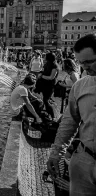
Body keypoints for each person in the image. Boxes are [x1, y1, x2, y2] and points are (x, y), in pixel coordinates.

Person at [47, 33, 96, 195]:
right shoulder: (81, 86)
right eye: (81, 63)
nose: (85, 67)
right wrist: (56, 153)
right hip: (85, 161)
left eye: (89, 62)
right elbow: (69, 123)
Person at [37, 52, 58, 119]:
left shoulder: (54, 66)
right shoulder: (46, 64)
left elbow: (51, 77)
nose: (44, 57)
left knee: (46, 100)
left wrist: (42, 76)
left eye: (45, 56)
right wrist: (40, 73)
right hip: (43, 84)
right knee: (44, 100)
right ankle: (45, 115)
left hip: (50, 85)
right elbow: (42, 71)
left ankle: (53, 116)